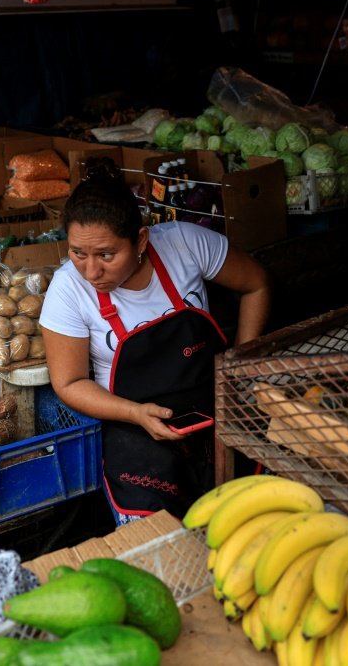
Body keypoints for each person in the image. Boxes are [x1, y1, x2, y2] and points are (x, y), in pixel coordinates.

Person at [39, 157, 270, 523]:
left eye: (107, 255)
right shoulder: (68, 290)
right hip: (133, 428)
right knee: (162, 543)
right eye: (78, 253)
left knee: (253, 518)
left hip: (216, 407)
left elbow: (256, 283)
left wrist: (241, 364)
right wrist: (134, 413)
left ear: (141, 239)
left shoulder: (184, 244)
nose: (91, 270)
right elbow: (68, 382)